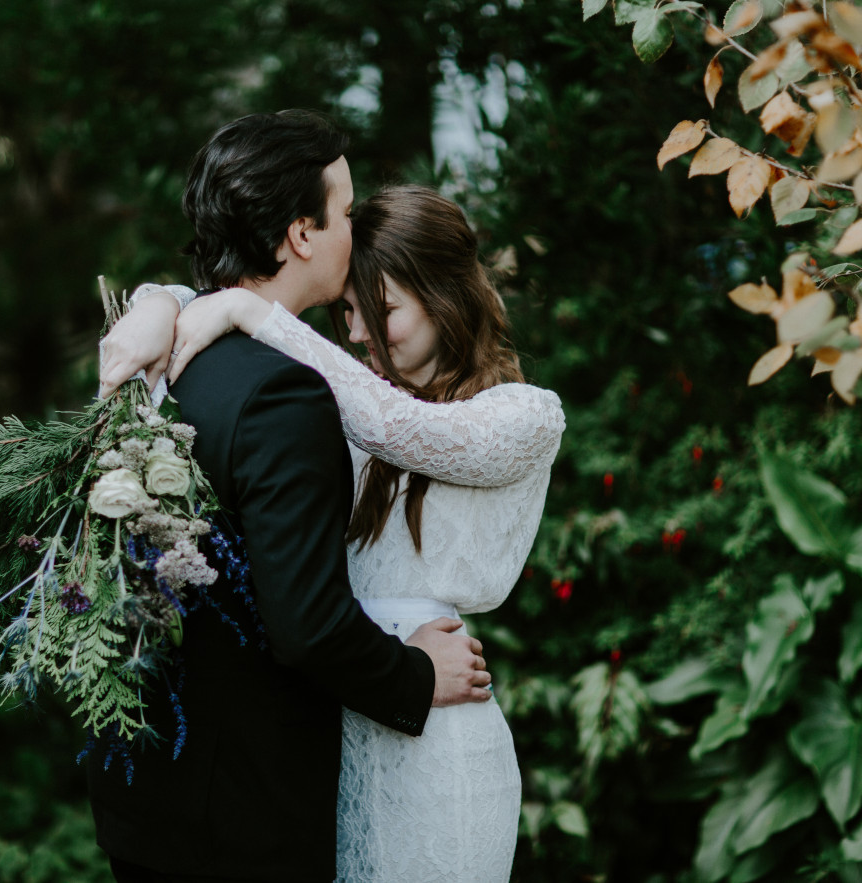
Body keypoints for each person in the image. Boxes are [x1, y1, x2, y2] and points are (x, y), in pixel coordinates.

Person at [103, 184, 565, 881]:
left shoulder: (523, 416)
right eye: (346, 310)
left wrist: (243, 308)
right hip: (346, 726)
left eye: (381, 312)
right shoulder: (347, 405)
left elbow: (402, 428)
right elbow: (332, 389)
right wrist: (160, 302)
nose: (356, 335)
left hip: (438, 733)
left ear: (445, 294)